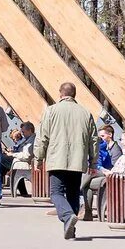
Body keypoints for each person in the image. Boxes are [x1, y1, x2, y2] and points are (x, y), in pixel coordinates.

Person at [34, 82, 98, 240]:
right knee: (73, 194)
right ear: (74, 95)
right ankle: (70, 228)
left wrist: (38, 158)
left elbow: (43, 137)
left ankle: (68, 215)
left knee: (56, 193)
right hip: (78, 160)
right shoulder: (85, 113)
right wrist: (93, 161)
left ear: (60, 94)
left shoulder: (51, 111)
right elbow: (93, 140)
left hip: (57, 158)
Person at [83, 125, 125, 220]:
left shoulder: (116, 149)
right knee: (88, 184)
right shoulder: (103, 147)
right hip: (103, 176)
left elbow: (115, 169)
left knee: (90, 172)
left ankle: (75, 195)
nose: (101, 139)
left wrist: (102, 169)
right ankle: (87, 213)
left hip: (111, 177)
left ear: (110, 135)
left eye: (103, 136)